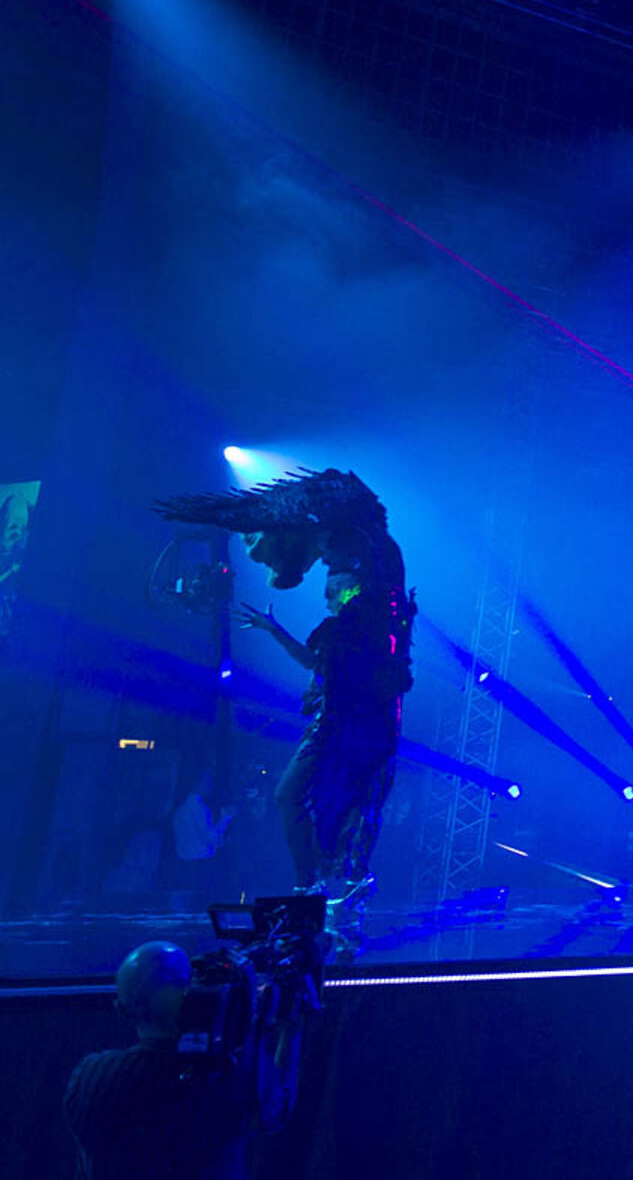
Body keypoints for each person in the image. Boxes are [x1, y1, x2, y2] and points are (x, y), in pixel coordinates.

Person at [157, 471, 415, 916]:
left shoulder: (368, 598)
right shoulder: (353, 616)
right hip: (348, 711)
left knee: (345, 793)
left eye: (332, 586)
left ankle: (329, 883)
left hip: (359, 712)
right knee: (323, 794)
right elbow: (317, 661)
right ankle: (318, 884)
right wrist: (273, 629)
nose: (327, 593)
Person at [65, 942, 251, 1179]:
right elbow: (276, 1109)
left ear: (120, 1008)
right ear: (190, 997)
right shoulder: (219, 1081)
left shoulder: (88, 1076)